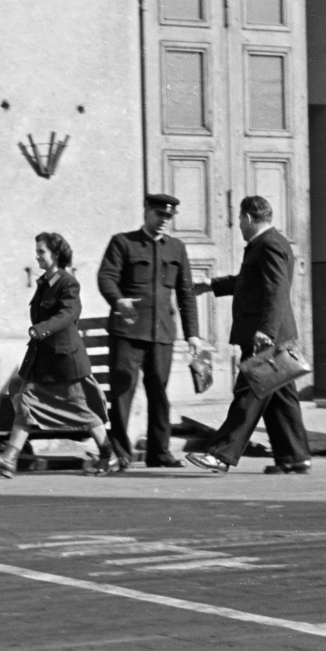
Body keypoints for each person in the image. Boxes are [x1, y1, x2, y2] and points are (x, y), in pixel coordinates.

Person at [186, 196, 312, 475]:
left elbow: (276, 289)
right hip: (271, 335)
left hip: (265, 337)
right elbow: (251, 282)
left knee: (249, 393)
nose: (239, 225)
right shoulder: (267, 243)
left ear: (248, 218)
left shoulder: (269, 245)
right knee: (281, 399)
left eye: (240, 220)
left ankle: (220, 455)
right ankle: (295, 457)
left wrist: (266, 330)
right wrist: (211, 284)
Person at [0, 232, 116, 478]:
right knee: (26, 398)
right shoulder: (45, 282)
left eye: (41, 252)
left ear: (56, 254)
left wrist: (41, 329)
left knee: (80, 409)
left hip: (65, 360)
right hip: (45, 358)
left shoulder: (68, 282)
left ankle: (109, 454)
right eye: (37, 252)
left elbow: (68, 314)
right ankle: (10, 458)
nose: (37, 256)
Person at [97, 193, 204, 469]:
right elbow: (106, 277)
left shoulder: (176, 248)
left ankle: (160, 452)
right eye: (159, 214)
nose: (164, 221)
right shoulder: (123, 242)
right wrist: (118, 300)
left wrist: (192, 333)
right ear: (146, 211)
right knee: (123, 392)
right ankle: (120, 453)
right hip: (128, 332)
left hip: (161, 333)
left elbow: (186, 293)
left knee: (159, 393)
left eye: (169, 216)